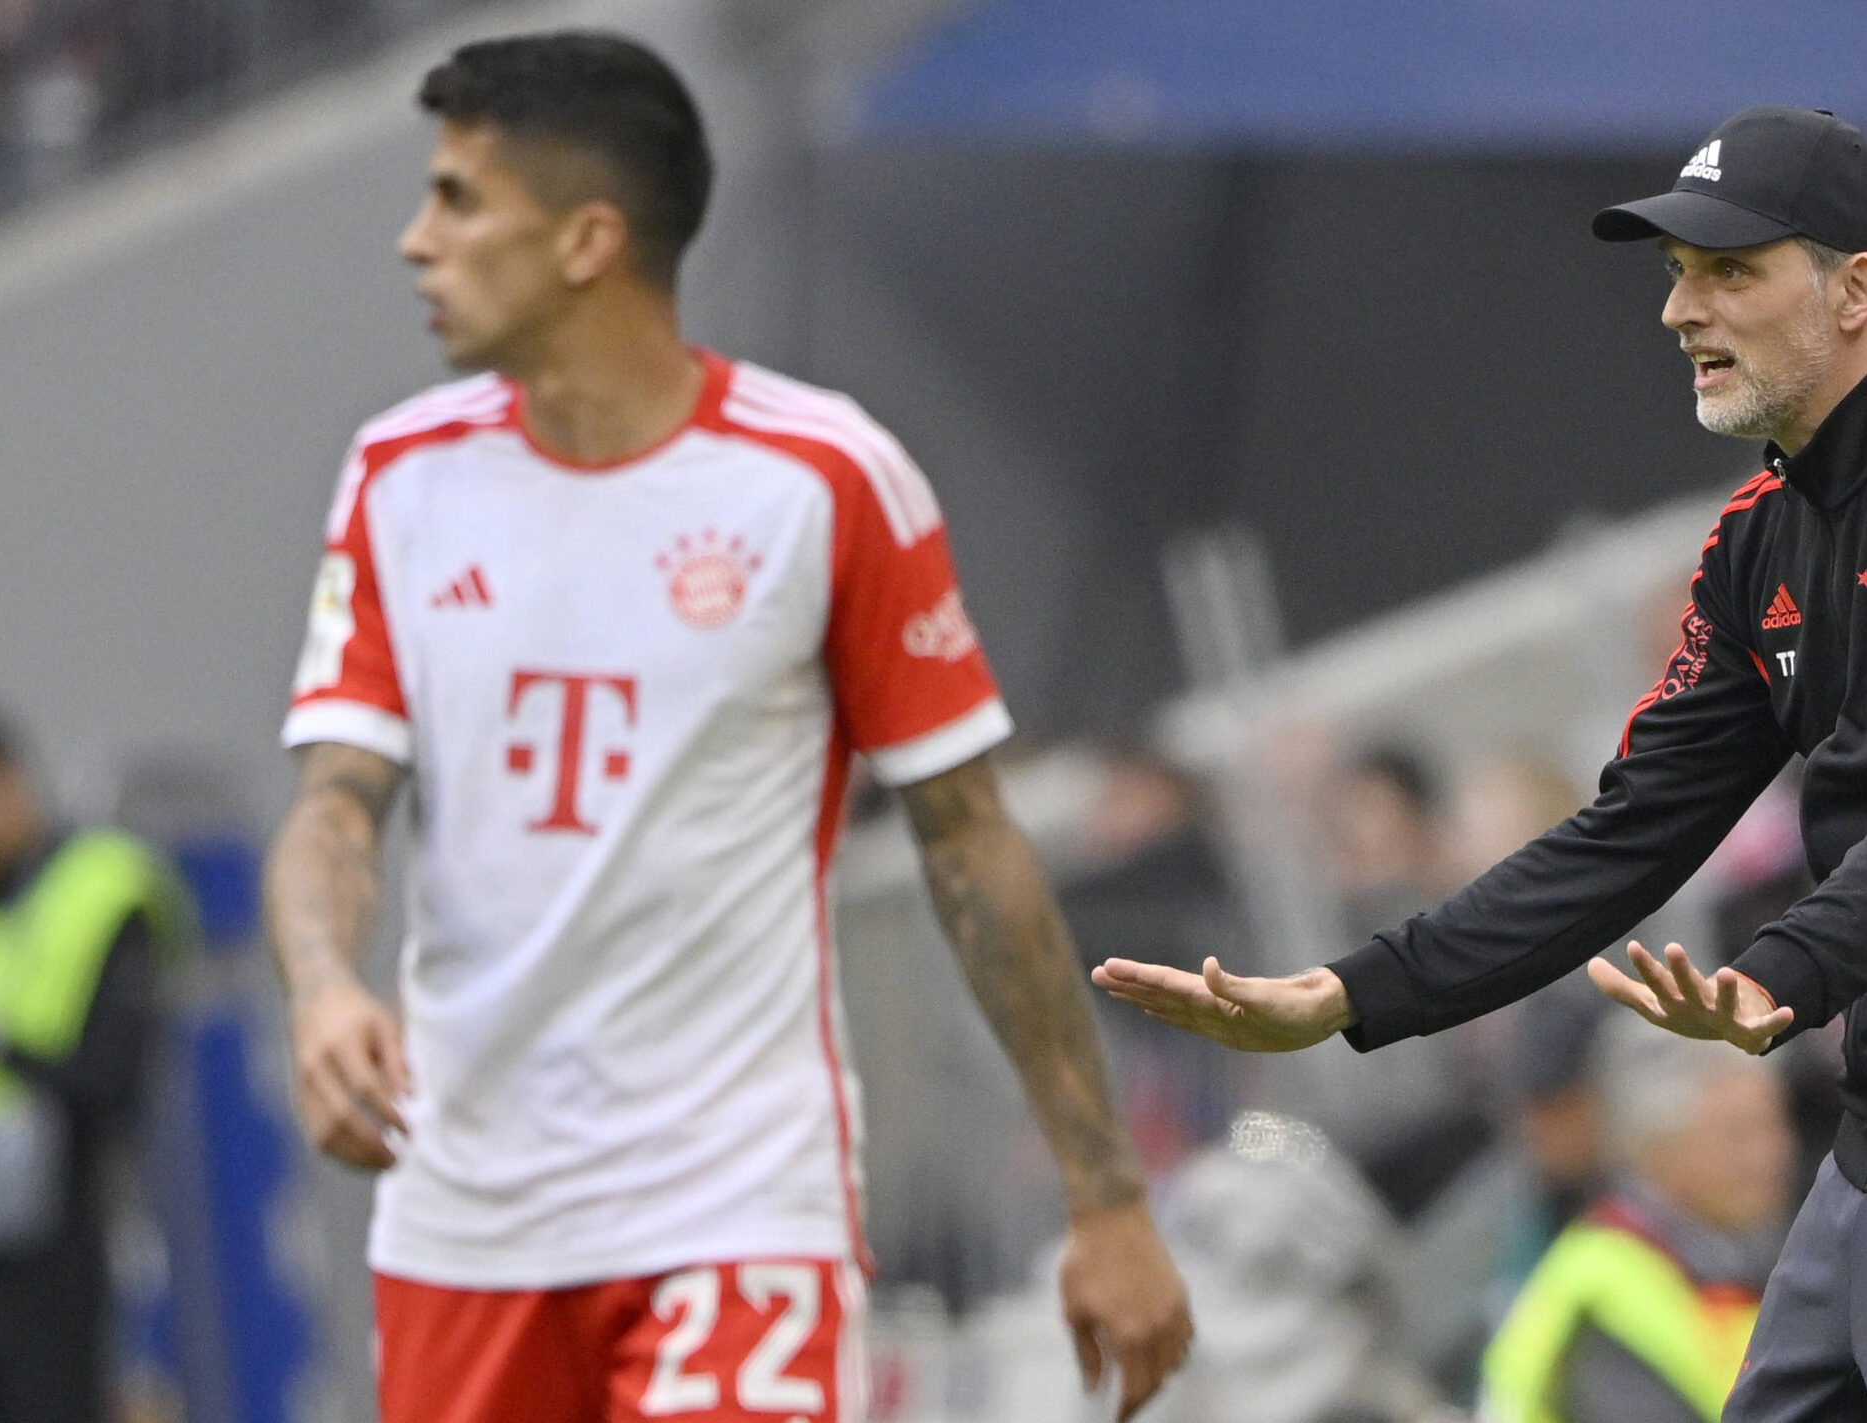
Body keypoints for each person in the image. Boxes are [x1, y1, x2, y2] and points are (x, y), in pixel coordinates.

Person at [1097, 104, 1867, 1423]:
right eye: (1680, 272)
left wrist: (1779, 971)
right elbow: (1627, 833)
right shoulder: (1756, 541)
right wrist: (1351, 989)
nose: (1683, 309)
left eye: (1730, 269)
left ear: (1857, 291)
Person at [261, 32, 1188, 1422]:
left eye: (457, 199)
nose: (416, 240)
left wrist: (1104, 1193)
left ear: (587, 239)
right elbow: (337, 800)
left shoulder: (823, 477)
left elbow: (968, 842)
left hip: (732, 1204)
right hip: (464, 1222)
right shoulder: (398, 475)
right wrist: (324, 983)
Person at [0, 704, 175, 1422]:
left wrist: (6, 1048)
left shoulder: (101, 887)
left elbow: (113, 1078)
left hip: (55, 1241)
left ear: (2, 780)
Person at [1481, 1018, 1792, 1423]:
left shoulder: (1717, 1255)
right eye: (1738, 1135)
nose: (1771, 1154)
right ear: (1656, 1145)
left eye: (1775, 1123)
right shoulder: (1604, 1299)